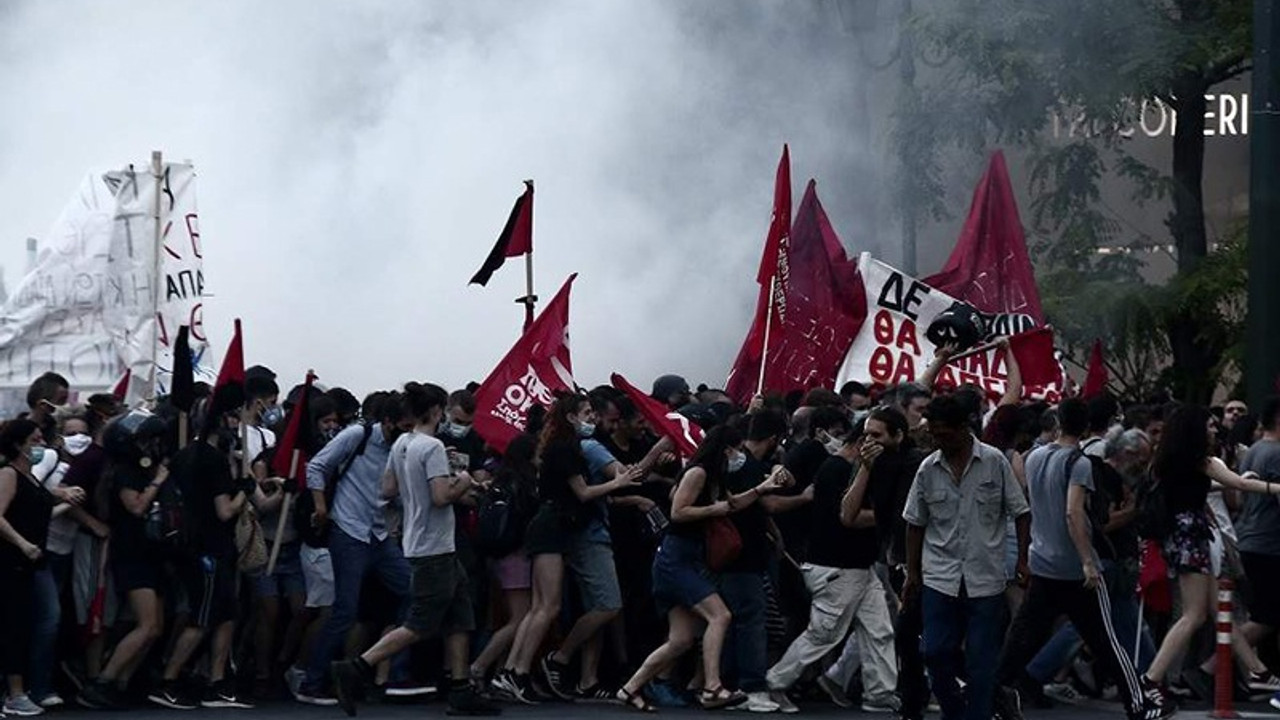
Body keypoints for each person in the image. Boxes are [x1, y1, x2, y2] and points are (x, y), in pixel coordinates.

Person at [992, 399, 1170, 720]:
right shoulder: (1080, 463)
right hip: (1075, 569)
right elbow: (1074, 512)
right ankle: (1139, 705)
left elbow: (1032, 502)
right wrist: (1088, 560)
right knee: (1107, 641)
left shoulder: (1033, 458)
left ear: (1058, 421)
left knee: (1022, 637)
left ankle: (991, 693)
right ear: (1087, 427)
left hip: (1043, 561)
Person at [330, 382, 499, 717]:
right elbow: (441, 497)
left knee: (459, 618)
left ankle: (460, 689)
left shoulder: (403, 444)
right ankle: (358, 666)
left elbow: (387, 488)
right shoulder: (433, 446)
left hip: (427, 543)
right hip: (433, 548)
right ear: (437, 411)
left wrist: (419, 489)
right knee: (419, 623)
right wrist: (463, 479)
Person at [614, 426, 790, 712]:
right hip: (676, 560)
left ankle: (630, 687)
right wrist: (713, 510)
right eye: (734, 450)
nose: (738, 456)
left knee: (681, 640)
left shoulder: (715, 477)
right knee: (720, 616)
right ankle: (712, 687)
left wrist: (762, 489)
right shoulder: (698, 473)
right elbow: (678, 512)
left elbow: (732, 504)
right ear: (723, 449)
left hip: (687, 561)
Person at [489, 394, 642, 704]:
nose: (593, 419)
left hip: (552, 528)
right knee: (547, 607)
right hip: (551, 528)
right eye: (586, 413)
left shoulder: (558, 447)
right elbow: (583, 493)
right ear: (571, 417)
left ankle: (511, 672)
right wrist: (617, 483)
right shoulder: (564, 448)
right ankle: (515, 673)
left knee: (541, 607)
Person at [902, 394, 1030, 720]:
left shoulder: (995, 462)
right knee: (935, 652)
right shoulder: (928, 469)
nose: (938, 440)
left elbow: (1021, 511)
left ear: (964, 428)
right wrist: (913, 574)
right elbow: (914, 523)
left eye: (944, 434)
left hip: (985, 577)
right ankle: (954, 709)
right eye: (934, 434)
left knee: (981, 661)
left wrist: (1021, 561)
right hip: (940, 578)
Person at [1140, 405, 1280, 702]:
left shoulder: (1169, 461)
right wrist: (1274, 487)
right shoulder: (1200, 461)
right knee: (1194, 615)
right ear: (1195, 430)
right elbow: (1239, 483)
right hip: (1193, 537)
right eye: (1209, 425)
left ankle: (1258, 672)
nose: (1214, 429)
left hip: (1180, 536)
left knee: (1218, 610)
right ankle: (1150, 679)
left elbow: (1205, 485)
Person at [766, 417, 899, 714]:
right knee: (823, 634)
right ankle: (776, 682)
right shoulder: (837, 470)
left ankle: (880, 693)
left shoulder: (844, 468)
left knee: (879, 630)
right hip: (838, 568)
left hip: (856, 568)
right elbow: (848, 517)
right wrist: (891, 516)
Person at [298, 393, 418, 704]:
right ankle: (313, 682)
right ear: (387, 421)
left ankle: (397, 675)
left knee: (415, 592)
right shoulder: (358, 435)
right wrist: (321, 508)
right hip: (348, 531)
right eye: (402, 427)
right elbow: (316, 467)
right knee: (345, 611)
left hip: (378, 535)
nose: (407, 433)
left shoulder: (400, 449)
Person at [148, 409, 258, 710]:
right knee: (204, 616)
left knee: (225, 615)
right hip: (208, 547)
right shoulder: (215, 460)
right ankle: (168, 681)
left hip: (198, 546)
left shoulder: (184, 455)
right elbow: (225, 510)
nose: (236, 425)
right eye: (232, 418)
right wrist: (243, 493)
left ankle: (218, 682)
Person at [76, 411, 173, 710]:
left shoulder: (144, 468)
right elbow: (136, 507)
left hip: (152, 553)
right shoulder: (125, 472)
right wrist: (157, 481)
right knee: (145, 624)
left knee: (155, 628)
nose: (152, 446)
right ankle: (102, 681)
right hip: (132, 555)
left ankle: (122, 682)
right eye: (146, 441)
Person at [0, 419, 72, 717]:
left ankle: (36, 686)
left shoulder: (32, 477)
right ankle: (15, 693)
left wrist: (67, 503)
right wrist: (22, 544)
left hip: (35, 560)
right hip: (14, 561)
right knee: (14, 624)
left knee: (46, 620)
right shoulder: (8, 474)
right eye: (34, 440)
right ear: (19, 444)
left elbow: (37, 514)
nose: (40, 444)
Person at [470, 434, 539, 687]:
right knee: (519, 618)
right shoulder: (524, 484)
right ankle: (479, 667)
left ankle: (496, 669)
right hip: (517, 556)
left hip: (500, 555)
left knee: (510, 616)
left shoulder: (502, 478)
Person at [1231, 396, 1280, 699]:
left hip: (1250, 538)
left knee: (1264, 613)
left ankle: (1243, 672)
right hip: (1269, 544)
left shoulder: (1254, 451)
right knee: (1269, 617)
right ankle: (1211, 667)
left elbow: (1236, 496)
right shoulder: (1275, 454)